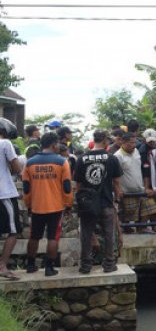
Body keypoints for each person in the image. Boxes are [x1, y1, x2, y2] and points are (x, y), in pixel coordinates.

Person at [22, 132, 73, 276]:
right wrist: (68, 205)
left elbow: (26, 188)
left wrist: (29, 205)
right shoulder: (62, 162)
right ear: (54, 144)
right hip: (55, 207)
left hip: (37, 207)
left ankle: (30, 265)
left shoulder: (29, 163)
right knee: (52, 237)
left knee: (34, 236)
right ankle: (49, 268)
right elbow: (67, 187)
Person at [74, 130, 123, 274]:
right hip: (106, 201)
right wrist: (117, 197)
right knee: (109, 234)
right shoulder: (111, 158)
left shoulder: (81, 158)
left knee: (86, 234)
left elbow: (78, 184)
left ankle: (85, 266)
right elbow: (117, 182)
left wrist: (81, 201)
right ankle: (109, 264)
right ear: (106, 141)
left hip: (88, 203)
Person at [116, 133, 156, 233]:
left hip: (141, 188)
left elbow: (143, 169)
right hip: (127, 190)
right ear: (124, 142)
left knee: (150, 207)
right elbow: (115, 177)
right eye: (131, 143)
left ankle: (142, 227)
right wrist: (118, 189)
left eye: (135, 142)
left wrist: (146, 186)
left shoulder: (136, 151)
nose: (134, 145)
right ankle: (126, 228)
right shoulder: (118, 156)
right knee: (129, 213)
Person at [0, 118, 21, 280]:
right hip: (4, 193)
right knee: (13, 231)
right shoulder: (5, 143)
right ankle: (2, 266)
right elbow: (16, 168)